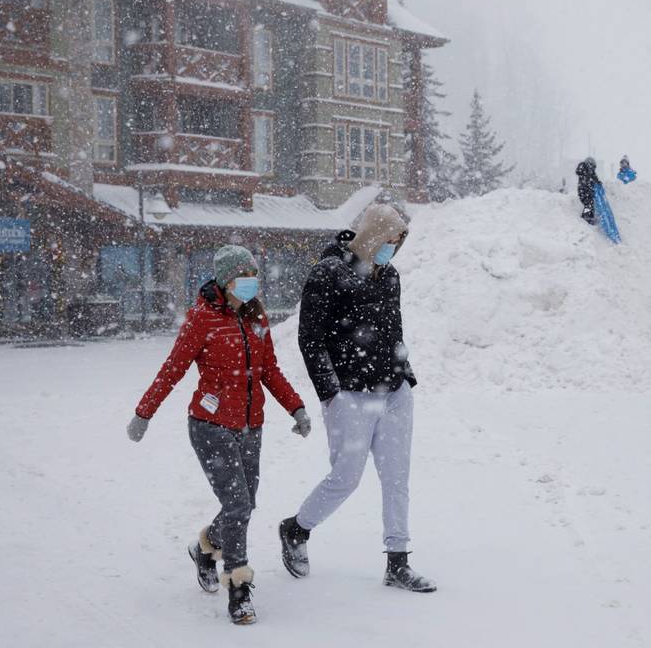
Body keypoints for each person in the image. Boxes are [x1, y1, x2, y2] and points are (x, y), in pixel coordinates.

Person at [126, 245, 311, 626]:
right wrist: (144, 413)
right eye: (243, 279)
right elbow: (173, 369)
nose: (251, 285)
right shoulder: (202, 319)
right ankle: (238, 589)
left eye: (254, 278)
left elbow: (269, 370)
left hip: (250, 425)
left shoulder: (257, 318)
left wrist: (296, 407)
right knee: (239, 505)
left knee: (243, 503)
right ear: (226, 282)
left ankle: (206, 549)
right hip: (210, 426)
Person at [278, 203, 437, 593]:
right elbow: (310, 339)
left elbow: (393, 329)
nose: (393, 251)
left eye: (398, 244)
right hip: (349, 394)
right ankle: (296, 530)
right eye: (390, 242)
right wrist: (330, 392)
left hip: (394, 391)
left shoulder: (390, 276)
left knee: (397, 478)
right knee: (346, 478)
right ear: (374, 236)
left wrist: (405, 372)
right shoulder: (328, 273)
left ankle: (397, 563)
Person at [576, 157, 601, 224]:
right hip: (583, 192)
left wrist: (598, 183)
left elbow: (595, 178)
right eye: (591, 166)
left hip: (588, 192)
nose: (592, 168)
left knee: (591, 204)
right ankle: (585, 217)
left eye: (593, 167)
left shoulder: (591, 172)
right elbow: (585, 182)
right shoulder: (583, 170)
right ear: (588, 164)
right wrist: (590, 188)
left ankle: (590, 217)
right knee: (588, 204)